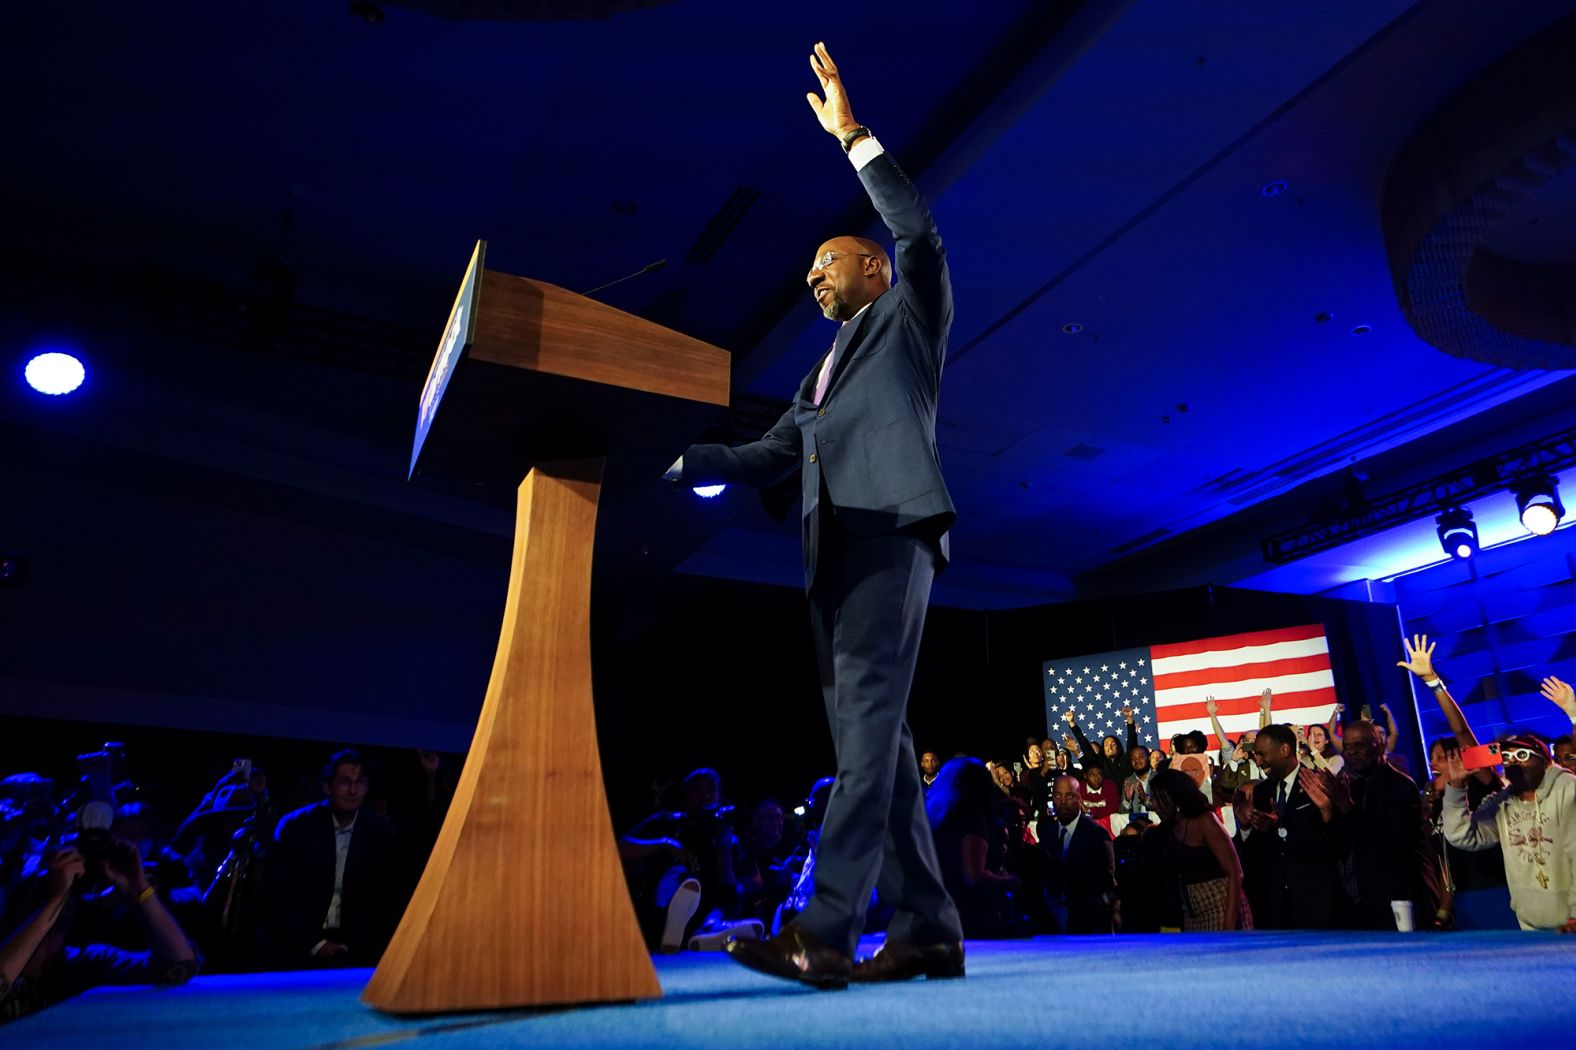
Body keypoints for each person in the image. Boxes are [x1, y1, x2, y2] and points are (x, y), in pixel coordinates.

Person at [673, 43, 963, 989]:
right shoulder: (819, 377)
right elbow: (768, 454)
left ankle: (826, 927)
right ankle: (928, 929)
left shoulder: (911, 313)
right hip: (833, 558)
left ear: (872, 267)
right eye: (808, 274)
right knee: (882, 742)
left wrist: (853, 136)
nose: (811, 280)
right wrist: (672, 456)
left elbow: (920, 233)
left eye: (825, 265)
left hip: (891, 528)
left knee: (869, 730)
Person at [1, 842, 197, 1023]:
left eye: (68, 886)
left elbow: (179, 965)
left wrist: (138, 888)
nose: (63, 888)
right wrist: (53, 900)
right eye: (45, 886)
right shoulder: (9, 965)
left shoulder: (86, 964)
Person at [264, 749, 400, 967]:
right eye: (345, 782)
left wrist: (356, 946)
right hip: (298, 947)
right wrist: (315, 944)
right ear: (328, 787)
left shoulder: (381, 831)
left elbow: (384, 899)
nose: (353, 790)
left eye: (360, 782)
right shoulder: (296, 827)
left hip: (359, 950)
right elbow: (278, 895)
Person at [1440, 732, 1576, 931]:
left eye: (1521, 756)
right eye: (1507, 758)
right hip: (1529, 923)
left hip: (1571, 923)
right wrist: (1456, 787)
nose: (1513, 763)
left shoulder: (1567, 789)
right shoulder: (1503, 802)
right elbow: (1463, 836)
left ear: (1545, 761)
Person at [1241, 724, 1348, 929]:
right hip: (1277, 907)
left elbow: (1333, 844)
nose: (1259, 761)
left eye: (1262, 754)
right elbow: (1256, 854)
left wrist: (1280, 828)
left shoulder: (1318, 783)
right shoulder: (1263, 792)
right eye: (1256, 755)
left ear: (1284, 750)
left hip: (1317, 903)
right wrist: (1247, 828)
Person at [1336, 720, 1439, 930]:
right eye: (1347, 747)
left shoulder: (1401, 785)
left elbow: (1393, 843)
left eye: (1359, 746)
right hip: (1362, 899)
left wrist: (1347, 808)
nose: (1351, 753)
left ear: (1380, 746)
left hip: (1400, 896)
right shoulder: (1350, 787)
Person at [923, 760, 1024, 942]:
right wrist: (1008, 881)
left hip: (939, 911)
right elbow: (974, 875)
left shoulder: (936, 818)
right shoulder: (972, 818)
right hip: (970, 916)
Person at [1146, 769, 1249, 931]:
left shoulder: (1205, 821)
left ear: (1174, 796)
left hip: (1220, 907)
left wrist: (1229, 925)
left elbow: (1235, 873)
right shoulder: (1168, 828)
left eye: (1158, 799)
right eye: (1153, 799)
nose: (1154, 806)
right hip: (1191, 915)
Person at [1042, 775, 1117, 934]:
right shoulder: (1047, 831)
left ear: (1079, 798)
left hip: (1087, 926)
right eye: (1057, 795)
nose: (1062, 801)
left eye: (1069, 796)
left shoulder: (1097, 835)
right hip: (1051, 927)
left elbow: (1107, 883)